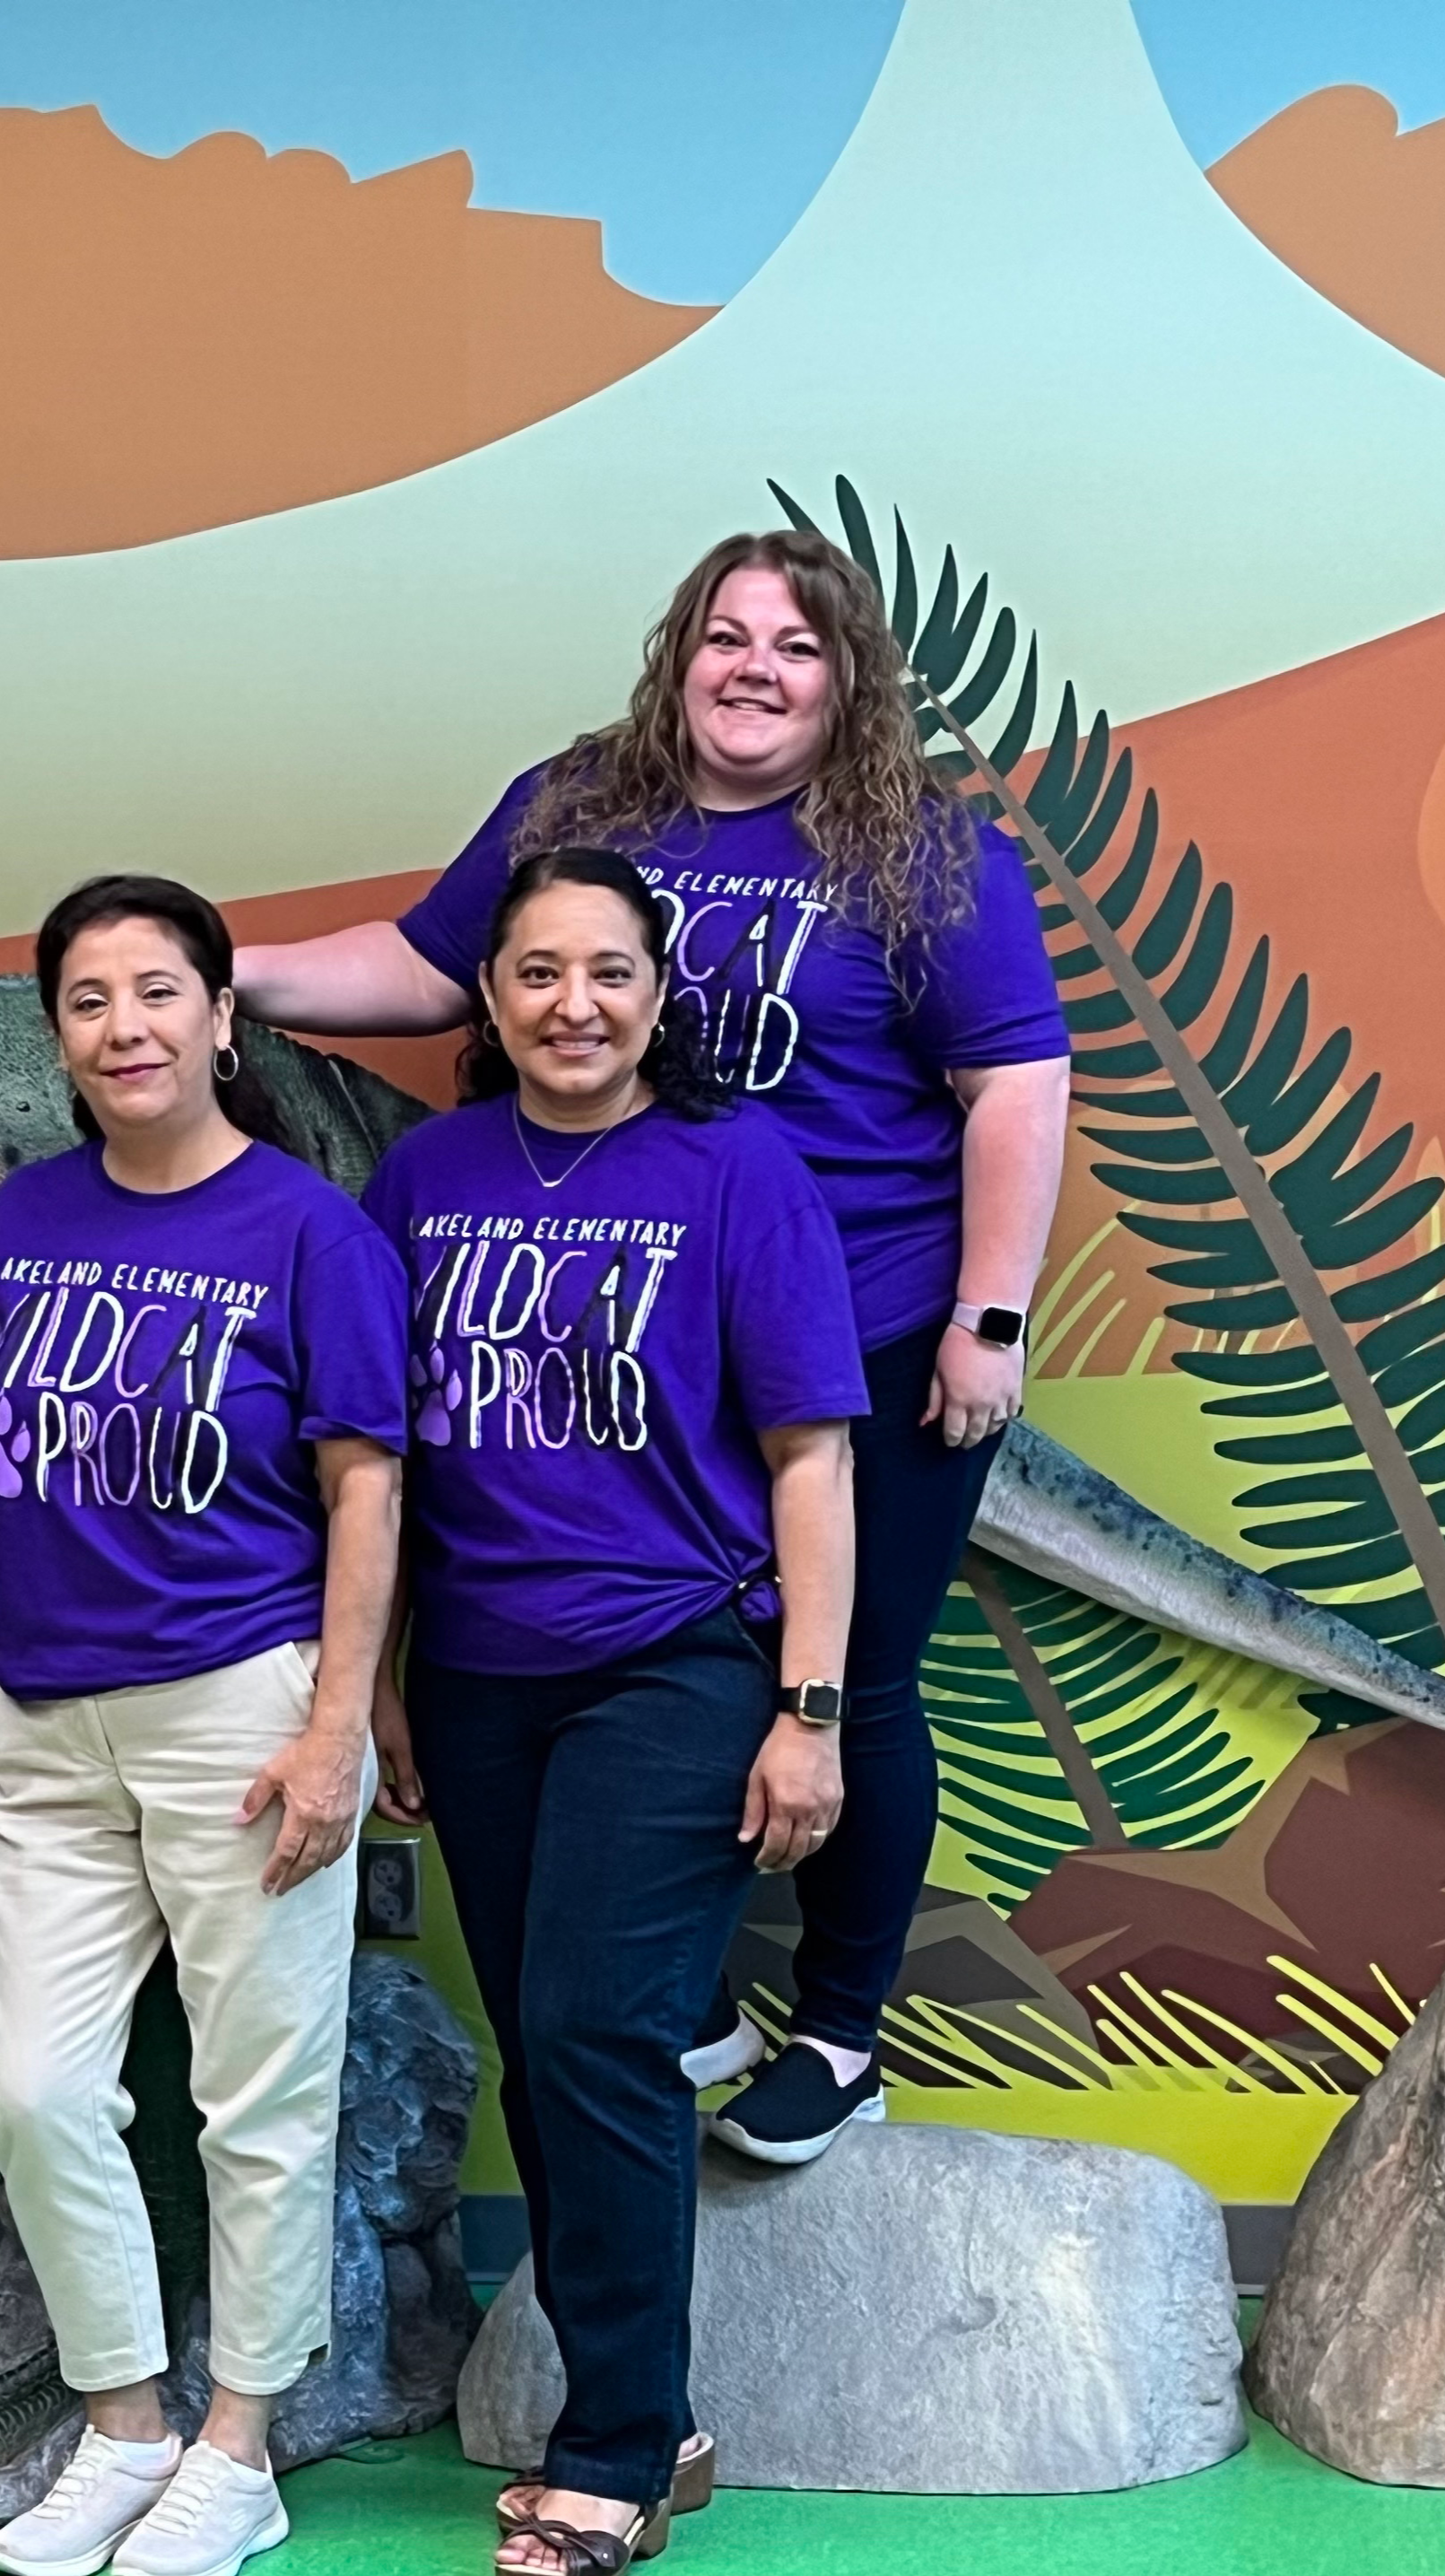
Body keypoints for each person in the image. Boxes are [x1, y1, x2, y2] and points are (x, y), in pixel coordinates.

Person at [239, 528, 1067, 2161]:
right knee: (648, 1667)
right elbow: (422, 969)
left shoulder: (920, 848)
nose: (757, 669)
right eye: (728, 635)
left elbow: (1015, 1082)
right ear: (677, 650)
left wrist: (988, 1315)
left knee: (853, 1683)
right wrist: (223, 977)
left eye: (800, 646)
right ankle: (675, 2005)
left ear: (850, 680)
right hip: (607, 1329)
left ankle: (838, 2029)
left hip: (869, 1324)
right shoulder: (579, 806)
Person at [361, 850, 863, 2576]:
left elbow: (811, 1458)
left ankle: (619, 2450)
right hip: (485, 1681)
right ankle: (652, 2417)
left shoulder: (739, 1172)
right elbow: (390, 1462)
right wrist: (393, 1677)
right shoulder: (423, 1175)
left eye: (610, 972)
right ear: (488, 999)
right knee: (538, 2043)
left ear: (659, 994)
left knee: (594, 2030)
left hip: (675, 1663)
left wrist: (807, 1710)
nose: (575, 1004)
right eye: (536, 972)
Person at [0, 877, 408, 2576]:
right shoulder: (24, 1222)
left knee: (256, 2105)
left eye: (156, 992)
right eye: (86, 998)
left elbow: (368, 1490)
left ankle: (239, 2455)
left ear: (221, 1017)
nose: (124, 1027)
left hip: (241, 1711)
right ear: (57, 1033)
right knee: (45, 2093)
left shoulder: (309, 1232)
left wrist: (339, 1723)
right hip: (48, 1723)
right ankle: (124, 2422)